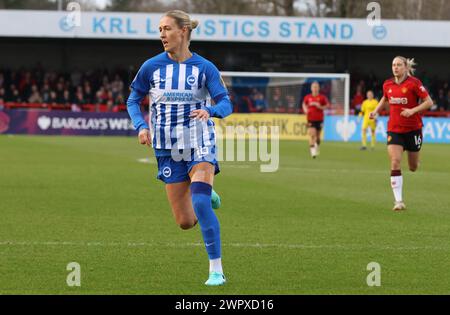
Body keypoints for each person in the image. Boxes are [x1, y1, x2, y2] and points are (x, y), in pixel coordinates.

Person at [126, 10, 232, 286]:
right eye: (159, 29)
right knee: (185, 221)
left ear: (183, 30)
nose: (161, 34)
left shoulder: (205, 68)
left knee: (198, 200)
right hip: (167, 149)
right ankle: (207, 194)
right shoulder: (151, 67)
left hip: (200, 142)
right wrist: (141, 126)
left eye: (167, 29)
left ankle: (216, 270)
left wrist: (210, 111)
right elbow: (133, 99)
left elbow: (226, 104)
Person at [370, 56, 433, 211]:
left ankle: (416, 162)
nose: (395, 67)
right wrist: (376, 111)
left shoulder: (414, 83)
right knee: (395, 161)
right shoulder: (388, 84)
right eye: (393, 65)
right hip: (394, 129)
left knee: (412, 167)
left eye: (398, 65)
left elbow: (429, 102)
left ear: (405, 67)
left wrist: (412, 110)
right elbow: (385, 98)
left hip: (413, 129)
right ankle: (398, 201)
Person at [302, 81, 330, 158]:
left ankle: (316, 145)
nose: (315, 88)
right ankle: (313, 152)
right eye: (313, 87)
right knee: (312, 134)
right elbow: (304, 104)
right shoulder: (307, 97)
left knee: (318, 137)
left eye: (316, 87)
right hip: (310, 119)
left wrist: (320, 106)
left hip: (320, 119)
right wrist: (305, 110)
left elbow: (327, 105)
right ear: (311, 88)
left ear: (318, 88)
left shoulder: (322, 97)